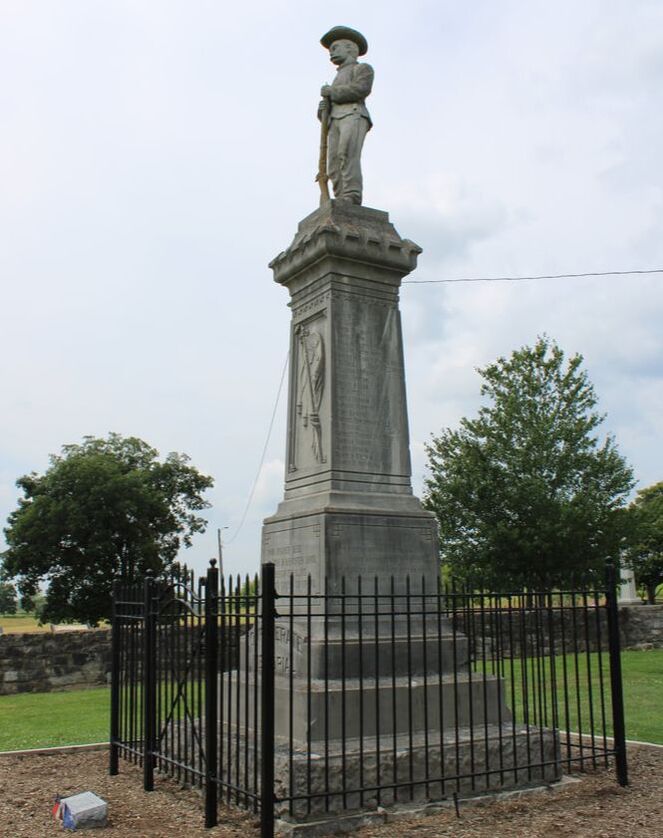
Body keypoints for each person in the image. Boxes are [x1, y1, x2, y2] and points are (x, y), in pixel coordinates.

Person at [319, 26, 373, 205]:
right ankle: (340, 195)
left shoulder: (362, 69)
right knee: (333, 163)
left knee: (347, 154)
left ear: (350, 48)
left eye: (335, 48)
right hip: (335, 119)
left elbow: (360, 89)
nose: (331, 53)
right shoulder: (337, 76)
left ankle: (351, 194)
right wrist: (322, 109)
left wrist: (332, 92)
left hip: (353, 113)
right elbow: (327, 110)